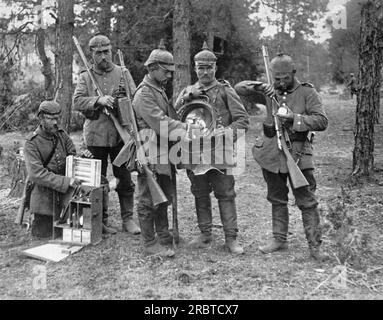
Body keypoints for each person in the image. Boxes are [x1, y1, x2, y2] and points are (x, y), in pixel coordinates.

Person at [234, 52, 329, 261]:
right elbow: (239, 88)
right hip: (271, 153)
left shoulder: (306, 92)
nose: (280, 82)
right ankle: (279, 239)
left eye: (285, 77)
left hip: (298, 153)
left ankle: (315, 246)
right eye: (276, 78)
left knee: (307, 200)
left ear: (294, 73)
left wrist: (295, 119)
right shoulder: (269, 90)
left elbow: (321, 121)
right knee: (277, 197)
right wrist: (260, 86)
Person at [174, 42, 250, 255]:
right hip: (194, 151)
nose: (205, 72)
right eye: (200, 67)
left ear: (215, 67)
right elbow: (175, 117)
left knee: (225, 193)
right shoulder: (188, 91)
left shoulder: (225, 90)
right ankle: (205, 233)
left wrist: (224, 134)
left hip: (219, 151)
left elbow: (243, 121)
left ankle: (231, 238)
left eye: (209, 67)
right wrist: (183, 98)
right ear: (194, 68)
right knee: (199, 192)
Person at [73, 34, 140, 235]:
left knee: (125, 179)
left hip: (121, 136)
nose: (103, 57)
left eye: (106, 52)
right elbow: (77, 102)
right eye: (98, 53)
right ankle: (100, 220)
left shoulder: (122, 73)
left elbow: (136, 98)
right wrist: (97, 101)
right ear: (91, 55)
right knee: (97, 181)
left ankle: (128, 219)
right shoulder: (86, 76)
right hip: (96, 136)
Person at [24, 100, 82, 238]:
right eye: (50, 119)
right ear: (41, 118)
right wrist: (66, 181)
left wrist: (82, 157)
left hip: (65, 195)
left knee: (75, 229)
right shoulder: (32, 143)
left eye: (57, 118)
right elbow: (37, 174)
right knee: (45, 235)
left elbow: (72, 155)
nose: (55, 122)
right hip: (44, 198)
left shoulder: (61, 135)